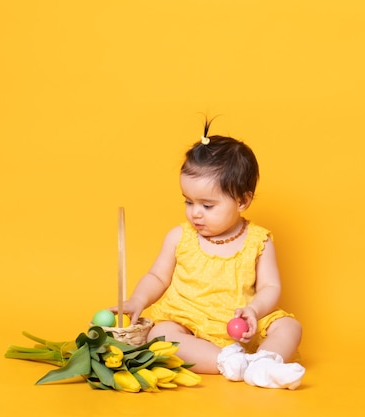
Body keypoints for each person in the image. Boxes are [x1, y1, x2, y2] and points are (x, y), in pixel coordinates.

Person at [113, 121, 305, 389]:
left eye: (207, 205)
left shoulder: (258, 240)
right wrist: (137, 299)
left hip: (241, 319)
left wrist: (253, 310)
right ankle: (228, 362)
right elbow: (157, 276)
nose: (195, 213)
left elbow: (270, 286)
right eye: (188, 202)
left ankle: (265, 363)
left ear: (242, 201)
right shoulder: (180, 237)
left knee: (289, 327)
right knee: (161, 335)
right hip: (189, 322)